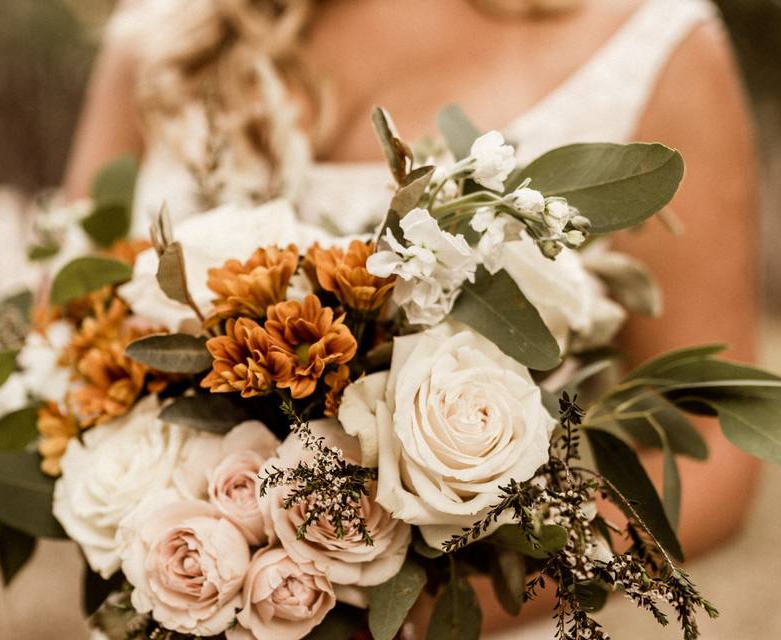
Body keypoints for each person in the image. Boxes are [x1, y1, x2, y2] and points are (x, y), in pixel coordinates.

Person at [64, 0, 761, 633]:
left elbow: (716, 454)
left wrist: (399, 612)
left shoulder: (650, 43)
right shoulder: (162, 40)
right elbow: (63, 347)